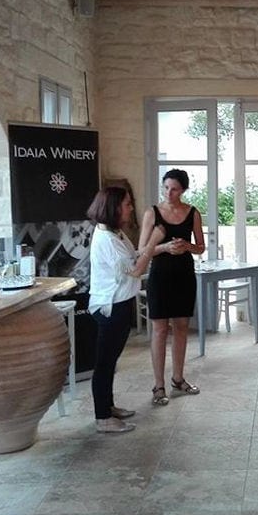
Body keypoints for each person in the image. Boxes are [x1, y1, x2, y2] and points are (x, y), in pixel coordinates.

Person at [87, 186, 165, 433]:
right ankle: (102, 417)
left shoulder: (115, 233)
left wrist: (162, 247)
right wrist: (154, 239)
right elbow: (136, 270)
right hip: (110, 307)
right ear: (114, 207)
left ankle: (108, 407)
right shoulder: (107, 239)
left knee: (111, 362)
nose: (131, 208)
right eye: (127, 204)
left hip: (120, 303)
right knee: (104, 363)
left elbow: (135, 257)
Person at [139, 169, 206, 406]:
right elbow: (142, 251)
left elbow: (201, 247)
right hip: (159, 276)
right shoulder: (152, 213)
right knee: (159, 330)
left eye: (174, 188)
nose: (169, 193)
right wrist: (165, 247)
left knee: (181, 328)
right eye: (166, 187)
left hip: (184, 275)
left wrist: (187, 245)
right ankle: (158, 385)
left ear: (184, 190)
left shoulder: (192, 213)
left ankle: (178, 378)